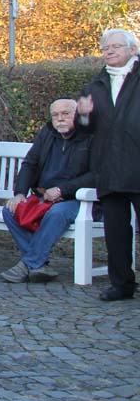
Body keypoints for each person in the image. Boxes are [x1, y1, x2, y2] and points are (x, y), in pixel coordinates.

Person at [0, 98, 95, 283]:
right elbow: (30, 163)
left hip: (78, 200)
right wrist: (19, 193)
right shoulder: (47, 133)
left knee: (56, 213)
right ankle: (39, 264)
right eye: (55, 115)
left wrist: (62, 190)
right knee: (10, 210)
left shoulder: (92, 136)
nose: (60, 119)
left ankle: (28, 263)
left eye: (65, 113)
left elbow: (97, 175)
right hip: (43, 197)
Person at [77, 28, 140, 301]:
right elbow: (85, 130)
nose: (109, 51)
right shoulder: (95, 85)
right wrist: (83, 116)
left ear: (132, 49)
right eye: (105, 48)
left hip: (137, 165)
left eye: (116, 46)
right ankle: (122, 284)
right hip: (109, 168)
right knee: (115, 232)